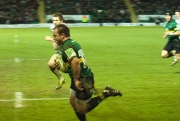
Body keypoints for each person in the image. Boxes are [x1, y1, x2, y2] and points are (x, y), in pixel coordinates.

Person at [52, 24, 123, 121]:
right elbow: (73, 64)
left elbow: (75, 61)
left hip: (83, 79)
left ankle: (106, 93)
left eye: (55, 36)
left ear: (62, 35)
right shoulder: (72, 42)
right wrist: (62, 67)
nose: (54, 38)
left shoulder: (67, 47)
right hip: (77, 77)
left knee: (81, 110)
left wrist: (76, 80)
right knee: (73, 102)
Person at [45, 12, 66, 90]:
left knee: (75, 72)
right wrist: (53, 40)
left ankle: (90, 85)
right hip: (60, 52)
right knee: (51, 64)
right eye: (53, 20)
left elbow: (62, 42)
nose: (54, 22)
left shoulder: (64, 29)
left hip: (68, 53)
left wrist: (50, 39)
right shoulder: (52, 27)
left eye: (56, 20)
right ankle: (61, 79)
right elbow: (55, 47)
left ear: (61, 20)